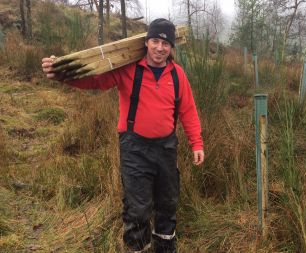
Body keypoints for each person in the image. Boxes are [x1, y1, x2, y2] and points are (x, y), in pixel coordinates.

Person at [42, 18, 204, 253]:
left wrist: (196, 143)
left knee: (167, 203)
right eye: (155, 41)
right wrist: (61, 73)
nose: (160, 48)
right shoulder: (128, 69)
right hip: (134, 148)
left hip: (166, 148)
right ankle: (137, 248)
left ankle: (165, 247)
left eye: (165, 44)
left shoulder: (178, 75)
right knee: (138, 207)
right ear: (147, 43)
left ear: (172, 48)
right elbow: (94, 81)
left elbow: (188, 111)